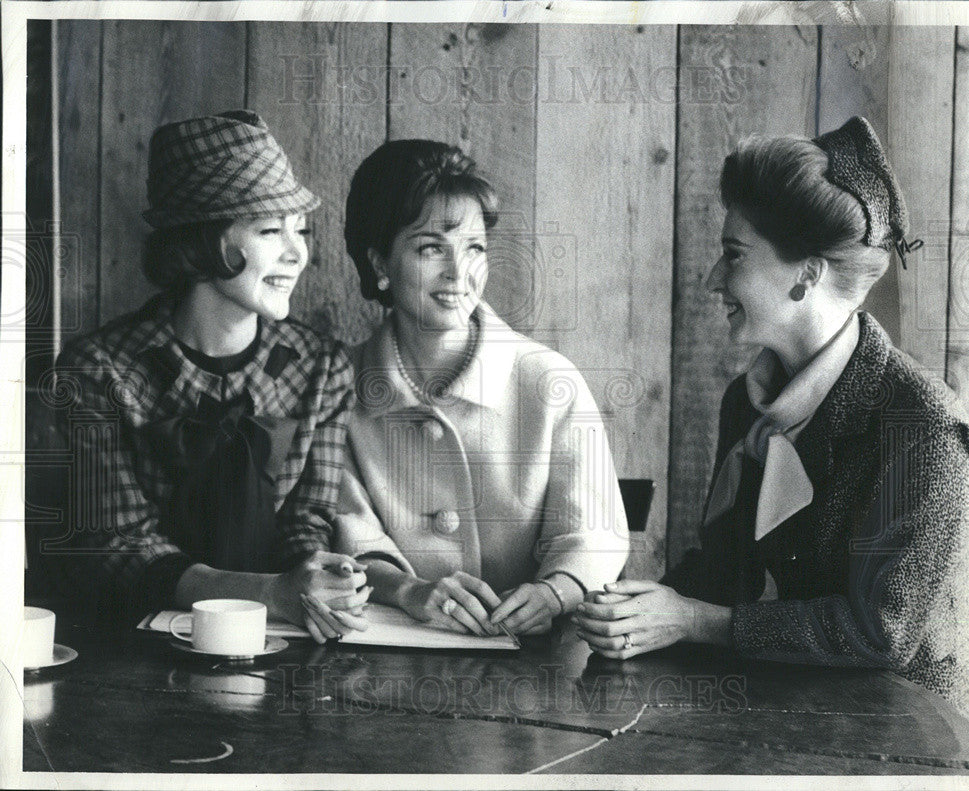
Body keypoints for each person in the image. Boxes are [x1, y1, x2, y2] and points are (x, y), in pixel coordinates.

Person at [574, 117, 969, 717]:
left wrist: (691, 619)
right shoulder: (747, 400)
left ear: (805, 276)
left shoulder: (921, 425)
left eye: (733, 255)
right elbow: (724, 569)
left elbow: (880, 634)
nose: (713, 278)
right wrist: (633, 607)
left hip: (905, 734)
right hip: (788, 703)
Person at [54, 111, 367, 643]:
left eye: (301, 230)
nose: (297, 253)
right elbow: (121, 547)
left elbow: (306, 519)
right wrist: (271, 592)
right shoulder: (96, 372)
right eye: (271, 230)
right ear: (202, 243)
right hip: (128, 648)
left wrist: (321, 577)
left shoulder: (323, 369)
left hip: (281, 639)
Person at [334, 140, 630, 636]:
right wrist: (408, 592)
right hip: (381, 659)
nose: (460, 273)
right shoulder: (337, 386)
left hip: (537, 666)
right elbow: (350, 540)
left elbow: (594, 534)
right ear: (380, 264)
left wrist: (553, 593)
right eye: (431, 248)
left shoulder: (548, 380)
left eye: (475, 248)